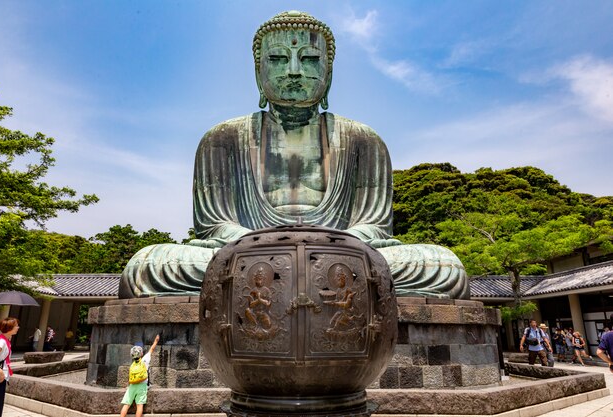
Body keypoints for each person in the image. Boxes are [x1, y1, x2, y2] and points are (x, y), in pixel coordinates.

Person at [118, 10, 469, 301]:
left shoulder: (364, 140)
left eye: (310, 59)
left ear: (328, 72)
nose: (294, 71)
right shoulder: (221, 139)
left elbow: (373, 226)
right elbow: (215, 225)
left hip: (339, 259)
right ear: (258, 71)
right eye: (278, 58)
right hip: (251, 259)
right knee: (147, 266)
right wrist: (269, 246)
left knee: (443, 266)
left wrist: (325, 246)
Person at [120, 335, 160, 417]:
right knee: (139, 405)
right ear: (141, 353)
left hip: (132, 385)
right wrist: (156, 341)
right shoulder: (145, 360)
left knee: (126, 405)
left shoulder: (132, 365)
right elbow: (151, 349)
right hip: (142, 386)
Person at [0, 317, 20, 417]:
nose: (18, 327)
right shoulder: (2, 342)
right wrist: (1, 373)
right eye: (16, 326)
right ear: (9, 328)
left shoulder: (4, 340)